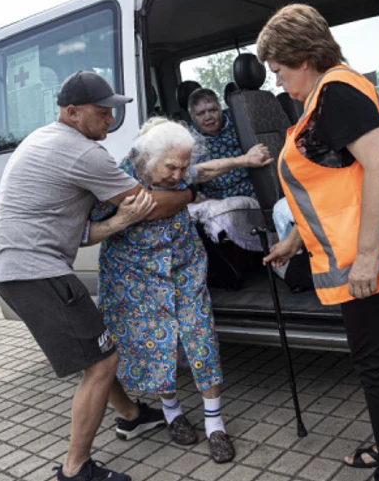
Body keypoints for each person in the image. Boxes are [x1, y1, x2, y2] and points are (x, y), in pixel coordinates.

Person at [0, 71, 193, 481]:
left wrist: (117, 223)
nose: (110, 120)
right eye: (102, 112)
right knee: (102, 362)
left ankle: (131, 416)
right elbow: (150, 205)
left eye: (112, 111)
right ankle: (75, 468)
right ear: (72, 112)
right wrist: (191, 192)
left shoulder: (43, 138)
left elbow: (75, 231)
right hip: (36, 271)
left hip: (21, 268)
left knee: (99, 351)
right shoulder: (82, 152)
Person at [257, 4, 379, 481]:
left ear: (304, 58)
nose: (278, 82)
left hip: (364, 257)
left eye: (279, 70)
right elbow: (337, 181)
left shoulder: (336, 92)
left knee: (375, 365)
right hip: (359, 251)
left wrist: (367, 259)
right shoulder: (328, 95)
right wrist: (295, 238)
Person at [85, 117, 271, 464]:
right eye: (171, 167)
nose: (178, 174)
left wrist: (243, 160)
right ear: (148, 158)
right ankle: (172, 413)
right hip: (136, 276)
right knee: (160, 343)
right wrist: (123, 220)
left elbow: (202, 171)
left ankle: (215, 424)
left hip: (185, 267)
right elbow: (87, 226)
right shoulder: (119, 178)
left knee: (201, 337)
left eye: (182, 166)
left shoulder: (179, 169)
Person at [187, 88, 258, 200]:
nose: (208, 117)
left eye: (213, 110)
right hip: (219, 198)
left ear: (220, 108)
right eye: (201, 113)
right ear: (192, 117)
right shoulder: (188, 140)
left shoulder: (238, 120)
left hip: (255, 187)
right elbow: (193, 175)